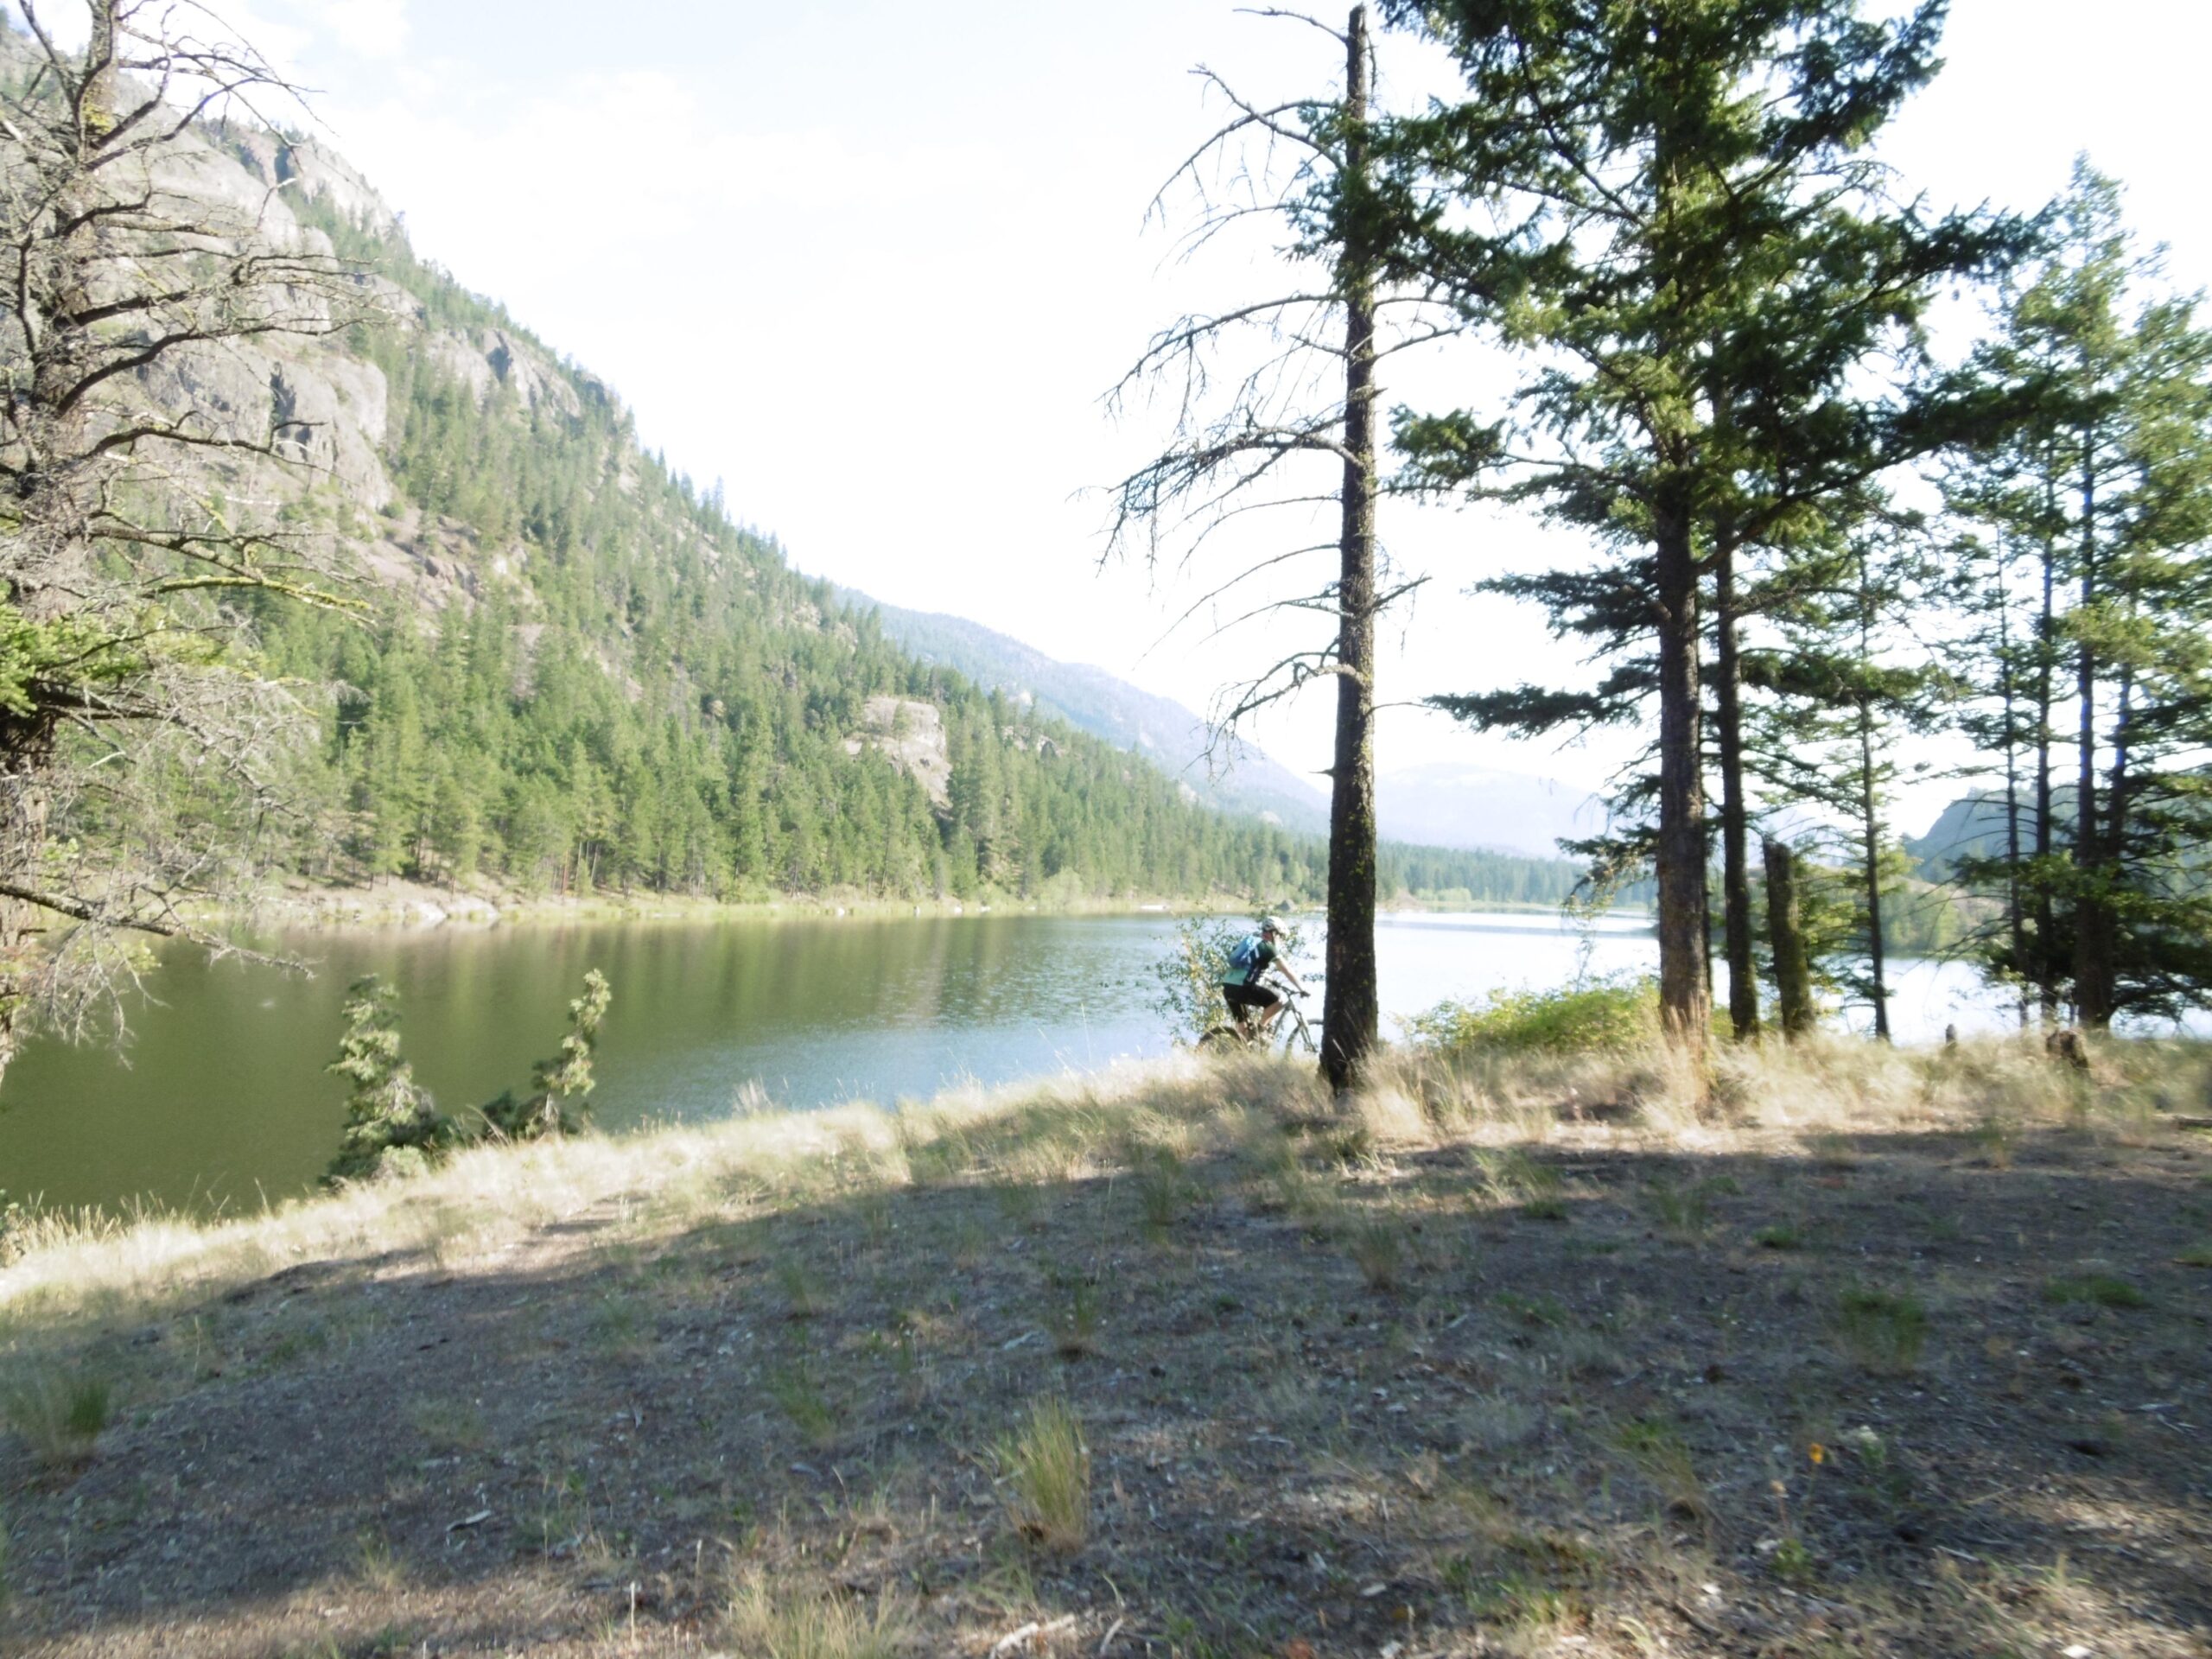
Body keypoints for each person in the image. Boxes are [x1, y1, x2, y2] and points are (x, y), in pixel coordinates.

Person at [1221, 916, 1305, 1039]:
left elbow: (1249, 968)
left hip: (1228, 988)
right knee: (1281, 1000)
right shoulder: (1267, 947)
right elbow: (1287, 970)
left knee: (1243, 1029)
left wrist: (1272, 981)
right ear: (1274, 933)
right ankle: (1260, 1030)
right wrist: (1302, 988)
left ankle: (1239, 1048)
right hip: (1244, 988)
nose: (1280, 939)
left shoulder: (1251, 942)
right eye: (1280, 936)